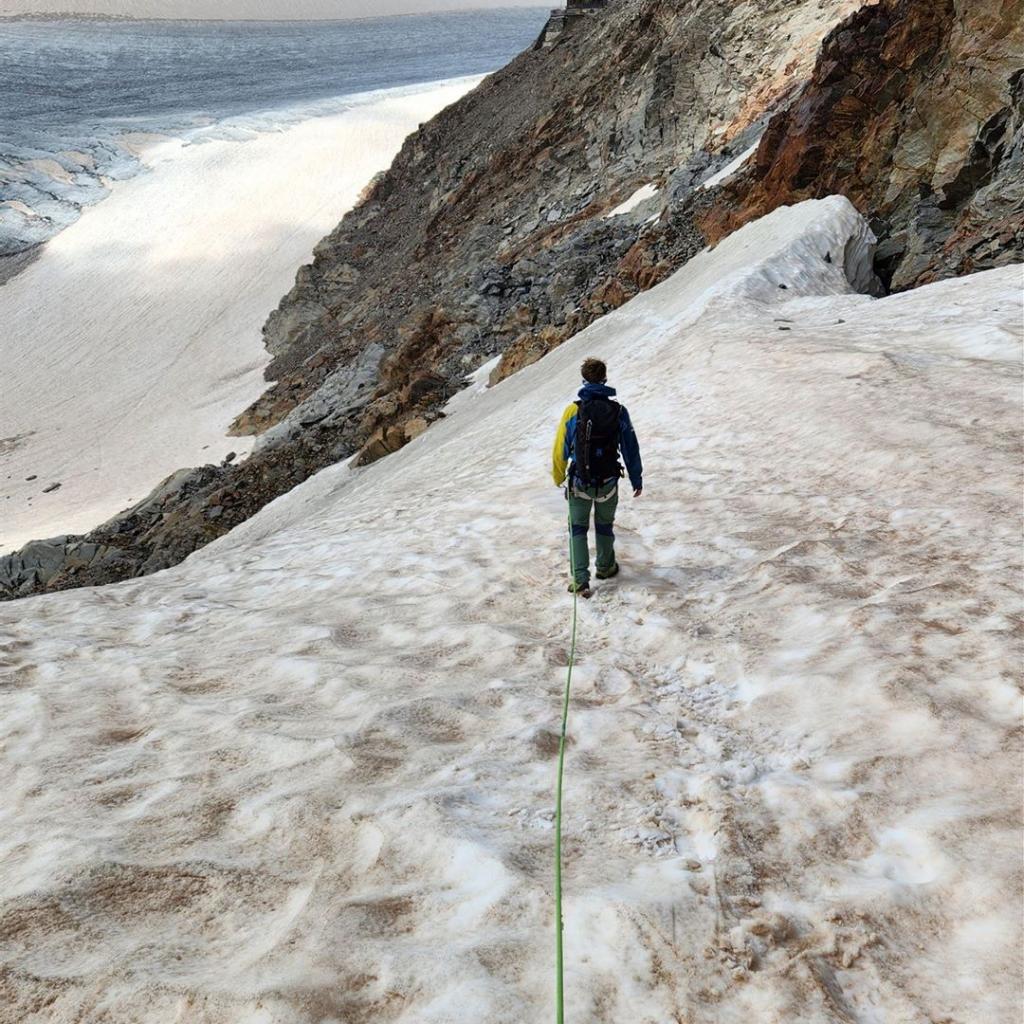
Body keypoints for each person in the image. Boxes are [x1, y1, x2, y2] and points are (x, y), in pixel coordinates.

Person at [551, 358, 643, 595]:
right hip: (609, 482)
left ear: (583, 380)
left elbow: (560, 447)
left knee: (578, 529)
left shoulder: (573, 410)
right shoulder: (619, 411)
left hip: (579, 482)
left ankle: (580, 578)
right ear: (605, 379)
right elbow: (630, 447)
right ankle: (605, 567)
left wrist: (558, 475)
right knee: (604, 526)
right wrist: (636, 478)